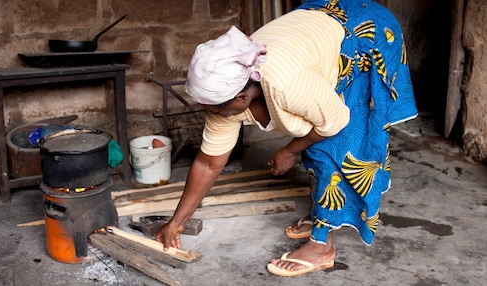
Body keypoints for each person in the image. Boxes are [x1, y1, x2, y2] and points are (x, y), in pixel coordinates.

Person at [155, 0, 418, 277]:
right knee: (313, 134)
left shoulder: (286, 84)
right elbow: (208, 164)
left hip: (364, 31)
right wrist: (177, 222)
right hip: (318, 26)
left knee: (329, 147)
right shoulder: (225, 96)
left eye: (216, 108)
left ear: (243, 97)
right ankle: (324, 217)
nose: (212, 114)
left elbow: (335, 122)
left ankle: (321, 246)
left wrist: (290, 151)